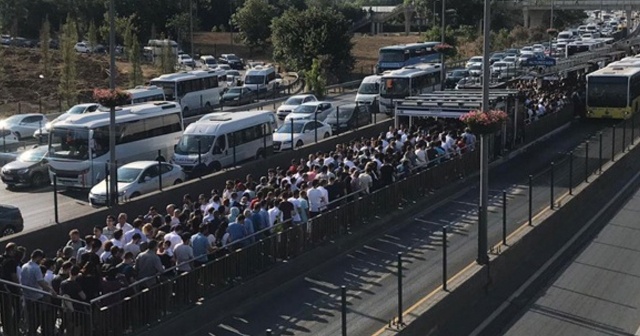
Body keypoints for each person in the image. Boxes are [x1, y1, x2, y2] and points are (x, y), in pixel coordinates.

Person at [21, 249, 56, 336]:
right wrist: (51, 290)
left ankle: (30, 332)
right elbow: (41, 282)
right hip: (36, 297)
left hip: (26, 295)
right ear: (38, 257)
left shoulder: (24, 266)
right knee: (36, 319)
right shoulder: (36, 268)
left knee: (30, 319)